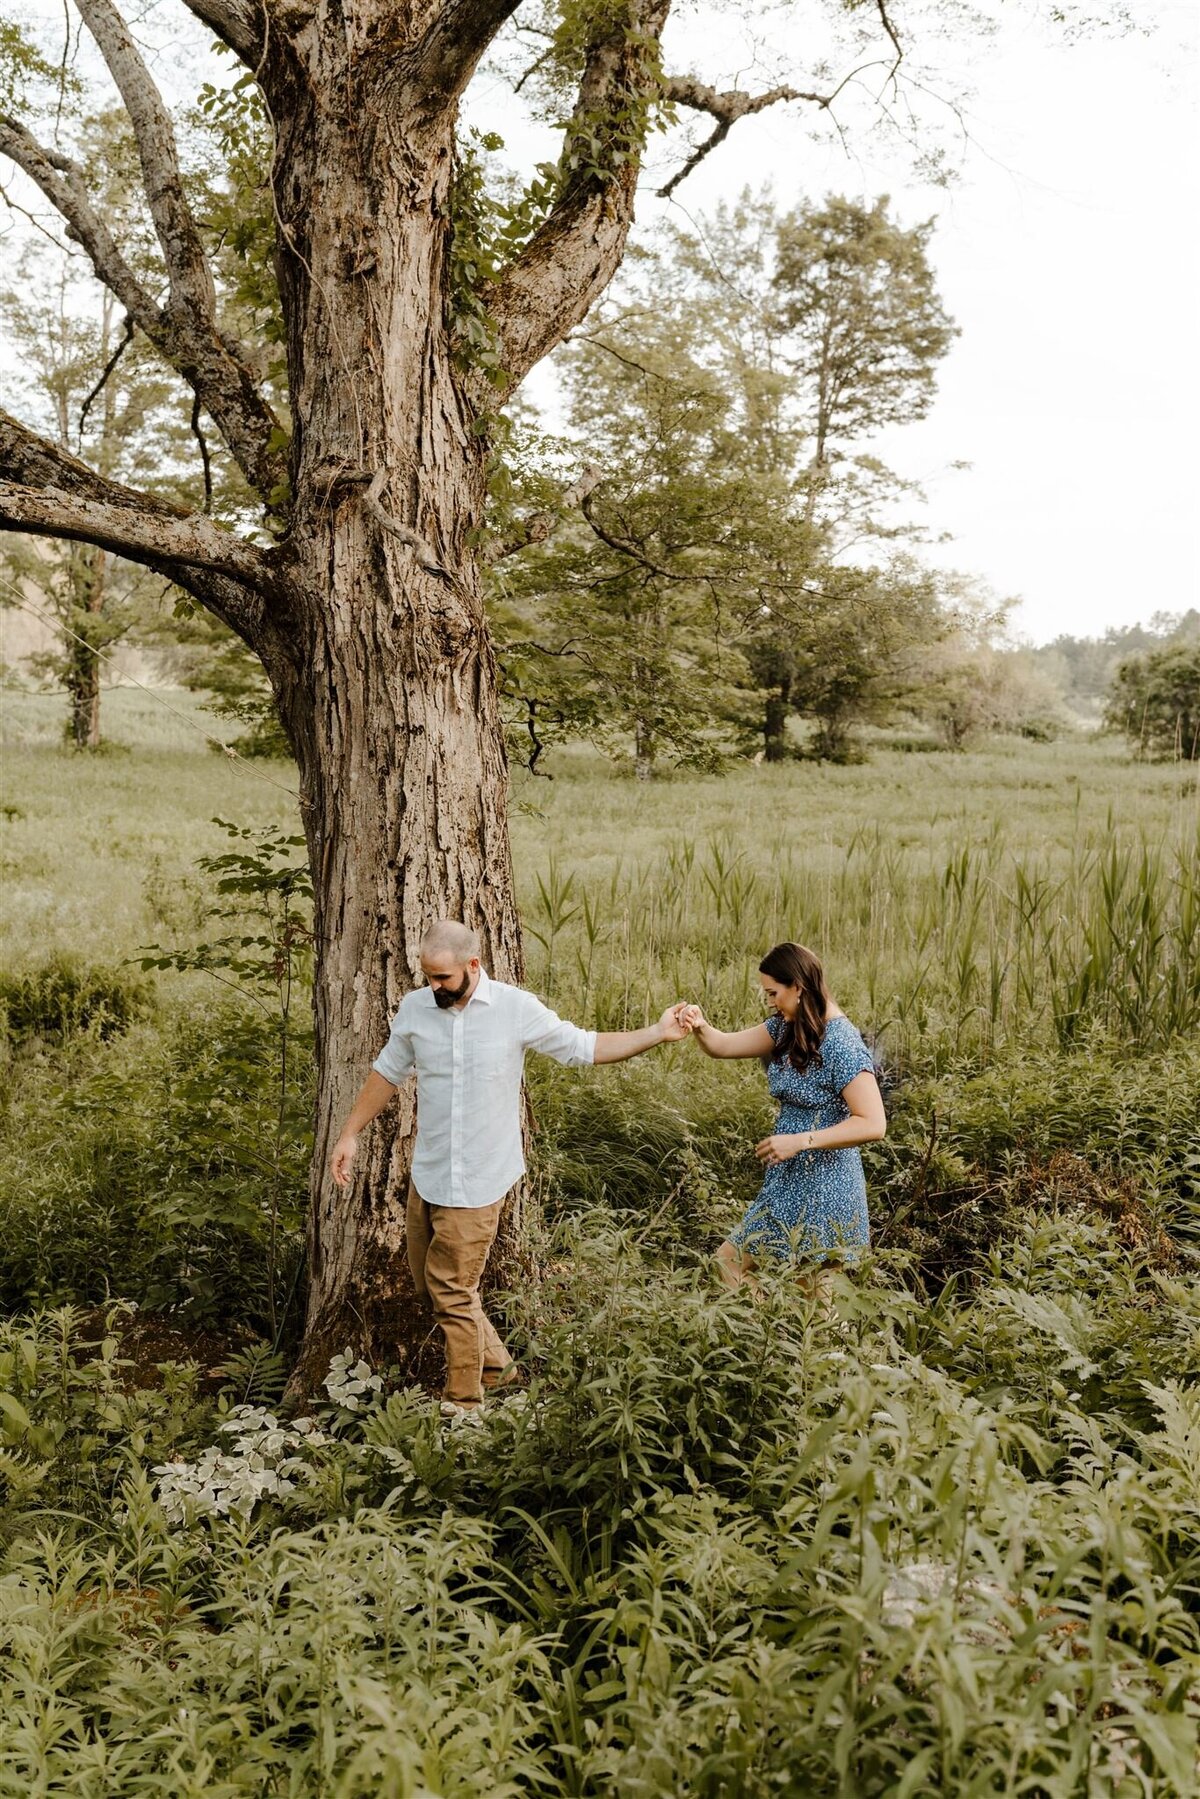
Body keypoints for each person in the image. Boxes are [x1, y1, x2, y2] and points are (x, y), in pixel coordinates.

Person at [330, 920, 692, 1411]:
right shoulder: (416, 1009)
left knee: (453, 1292)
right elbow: (388, 1071)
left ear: (472, 966)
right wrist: (350, 1132)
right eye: (428, 976)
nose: (433, 987)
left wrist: (656, 1032)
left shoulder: (514, 1009)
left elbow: (584, 1047)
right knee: (428, 1285)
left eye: (443, 978)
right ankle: (499, 1368)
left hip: (480, 1179)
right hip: (430, 1174)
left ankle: (463, 1404)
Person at [681, 942, 885, 1289]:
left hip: (826, 1184)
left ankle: (786, 1338)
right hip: (789, 1180)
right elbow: (724, 1046)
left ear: (799, 987)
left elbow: (873, 1123)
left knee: (815, 1301)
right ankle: (771, 1336)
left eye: (774, 993)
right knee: (729, 1266)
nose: (771, 1001)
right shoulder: (786, 1027)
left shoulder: (841, 1042)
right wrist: (699, 1025)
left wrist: (800, 1142)